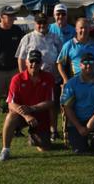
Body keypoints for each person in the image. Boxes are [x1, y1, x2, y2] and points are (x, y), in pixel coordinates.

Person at [0, 50, 53, 161]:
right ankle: (5, 150)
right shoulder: (17, 79)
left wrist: (32, 108)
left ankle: (33, 137)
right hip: (21, 115)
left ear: (41, 63)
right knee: (10, 116)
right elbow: (11, 104)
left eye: (37, 62)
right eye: (31, 61)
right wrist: (27, 115)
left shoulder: (48, 77)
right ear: (26, 62)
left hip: (40, 114)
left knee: (44, 148)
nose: (34, 64)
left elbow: (50, 102)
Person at [16, 12, 63, 140]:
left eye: (44, 22)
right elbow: (21, 59)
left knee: (52, 105)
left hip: (52, 78)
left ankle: (53, 130)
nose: (42, 25)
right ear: (35, 23)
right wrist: (23, 76)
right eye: (39, 22)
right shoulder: (28, 38)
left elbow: (62, 57)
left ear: (48, 24)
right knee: (32, 104)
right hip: (33, 78)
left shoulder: (55, 37)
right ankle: (27, 126)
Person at [0, 6, 25, 141]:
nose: (13, 18)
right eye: (10, 15)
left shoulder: (17, 30)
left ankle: (15, 129)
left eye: (13, 15)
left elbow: (22, 52)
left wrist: (20, 71)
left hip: (14, 70)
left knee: (14, 102)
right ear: (1, 17)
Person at [60, 53, 94, 154]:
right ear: (80, 65)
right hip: (77, 120)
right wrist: (79, 127)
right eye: (85, 63)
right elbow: (67, 107)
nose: (88, 65)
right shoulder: (71, 83)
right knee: (80, 151)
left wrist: (91, 122)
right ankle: (82, 140)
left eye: (91, 62)